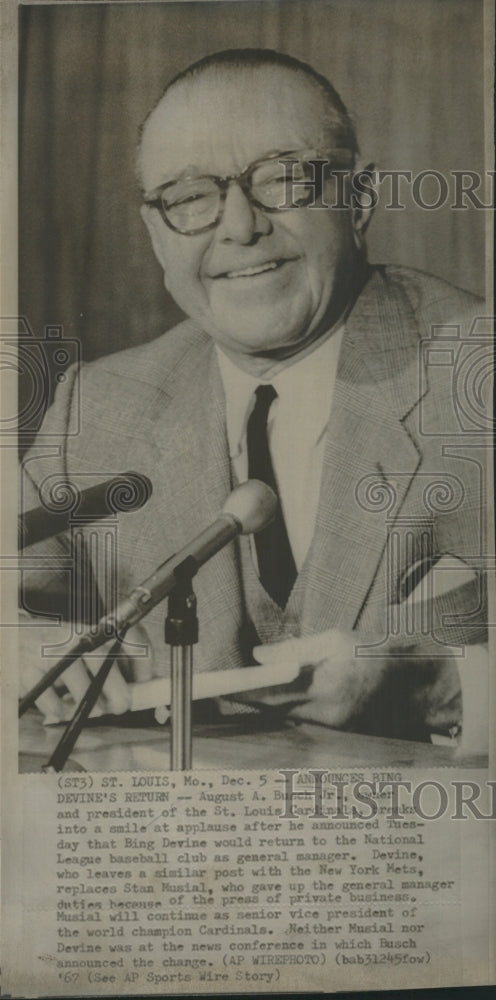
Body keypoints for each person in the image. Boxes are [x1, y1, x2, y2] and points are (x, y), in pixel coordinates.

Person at [19, 49, 488, 746]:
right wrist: (30, 654)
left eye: (286, 179)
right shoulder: (101, 407)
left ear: (358, 200)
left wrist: (454, 686)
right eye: (189, 197)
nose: (239, 226)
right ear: (155, 233)